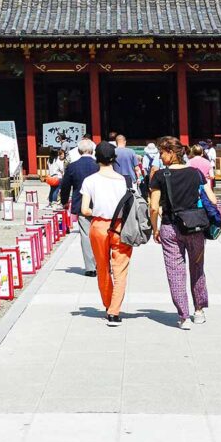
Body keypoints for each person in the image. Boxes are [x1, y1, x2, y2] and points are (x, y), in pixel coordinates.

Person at [149, 136, 218, 329]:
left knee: (175, 271)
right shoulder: (196, 173)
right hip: (195, 226)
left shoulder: (160, 176)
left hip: (171, 227)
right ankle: (199, 310)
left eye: (162, 153)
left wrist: (155, 228)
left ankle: (183, 316)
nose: (160, 157)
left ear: (171, 153)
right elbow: (211, 197)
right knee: (197, 268)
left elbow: (154, 207)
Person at [81, 141, 131, 325]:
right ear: (114, 159)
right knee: (120, 269)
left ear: (97, 159)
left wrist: (98, 210)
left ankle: (107, 303)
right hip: (120, 226)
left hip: (99, 226)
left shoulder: (90, 181)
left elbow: (85, 209)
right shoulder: (124, 180)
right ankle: (114, 311)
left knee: (102, 267)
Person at [60, 138, 99, 277]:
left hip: (81, 204)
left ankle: (90, 267)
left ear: (78, 150)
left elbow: (65, 186)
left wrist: (64, 201)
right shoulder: (99, 165)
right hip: (100, 205)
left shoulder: (72, 166)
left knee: (86, 235)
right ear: (93, 150)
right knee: (102, 234)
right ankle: (102, 264)